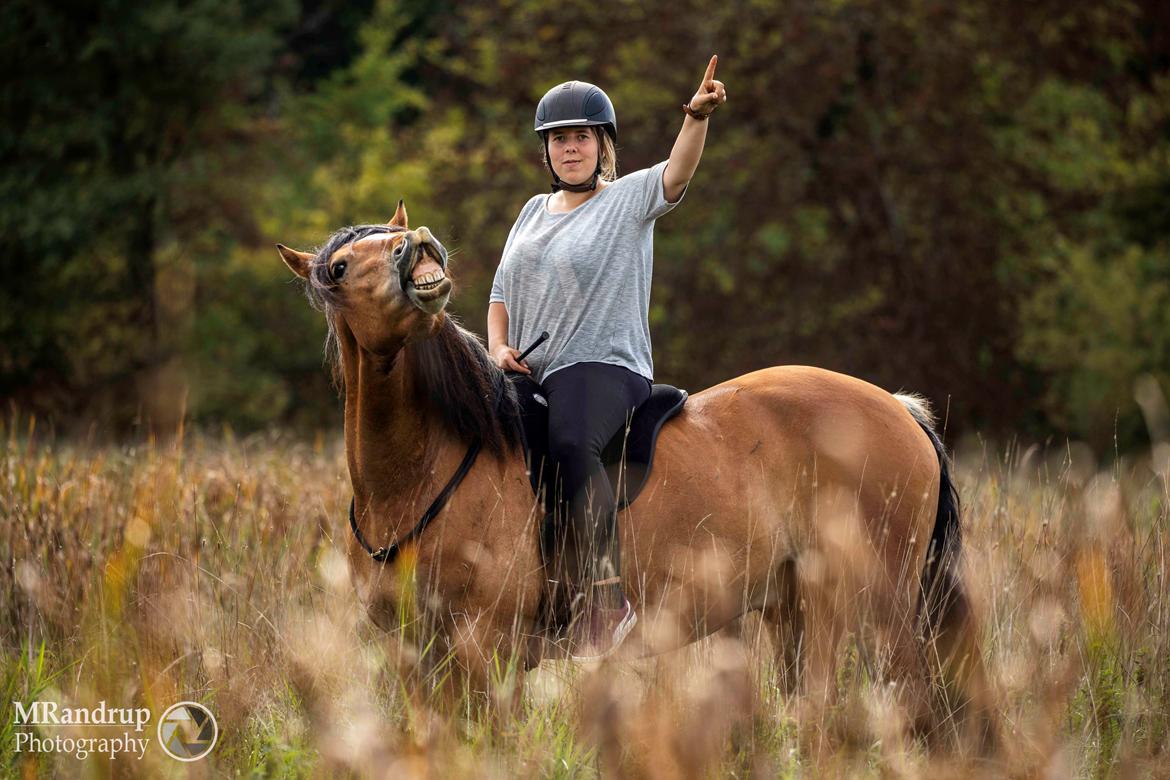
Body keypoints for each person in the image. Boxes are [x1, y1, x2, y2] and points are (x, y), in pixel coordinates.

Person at [487, 57, 727, 660]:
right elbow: (498, 296)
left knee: (571, 443)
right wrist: (496, 348)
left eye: (582, 137)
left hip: (604, 364)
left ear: (603, 145)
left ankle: (607, 602)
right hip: (530, 371)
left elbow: (676, 174)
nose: (570, 148)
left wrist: (695, 118)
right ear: (546, 151)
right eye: (559, 139)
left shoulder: (626, 199)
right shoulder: (529, 214)